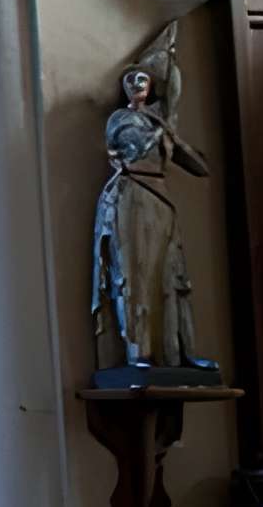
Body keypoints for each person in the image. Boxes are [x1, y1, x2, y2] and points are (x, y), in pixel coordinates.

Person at [91, 40, 214, 374]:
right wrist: (160, 128)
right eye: (130, 81)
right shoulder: (122, 120)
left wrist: (172, 133)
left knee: (174, 277)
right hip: (131, 195)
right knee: (135, 275)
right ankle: (138, 352)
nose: (136, 86)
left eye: (143, 80)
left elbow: (199, 167)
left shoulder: (161, 125)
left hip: (161, 198)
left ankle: (179, 352)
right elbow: (129, 147)